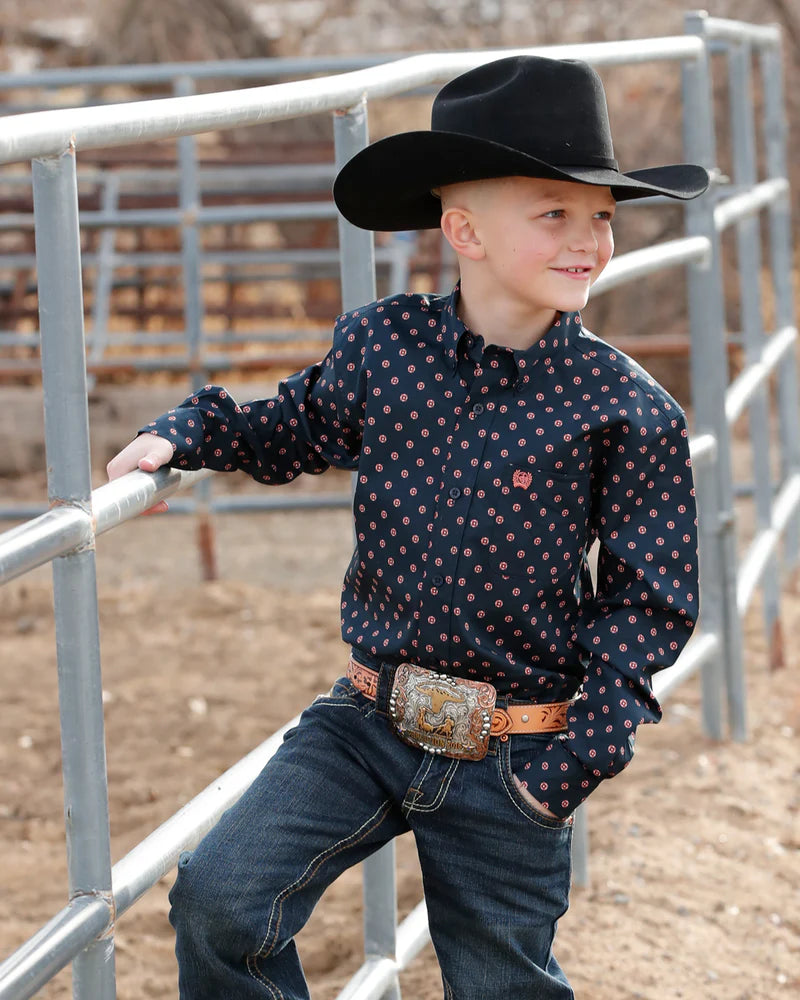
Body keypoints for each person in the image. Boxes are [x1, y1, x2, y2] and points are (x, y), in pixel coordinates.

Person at [107, 55, 707, 1000]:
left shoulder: (625, 410)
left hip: (518, 750)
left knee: (501, 984)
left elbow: (650, 604)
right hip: (367, 719)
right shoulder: (384, 347)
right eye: (554, 211)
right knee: (219, 902)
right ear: (462, 230)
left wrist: (570, 764)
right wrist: (185, 434)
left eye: (602, 215)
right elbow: (295, 425)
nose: (589, 238)